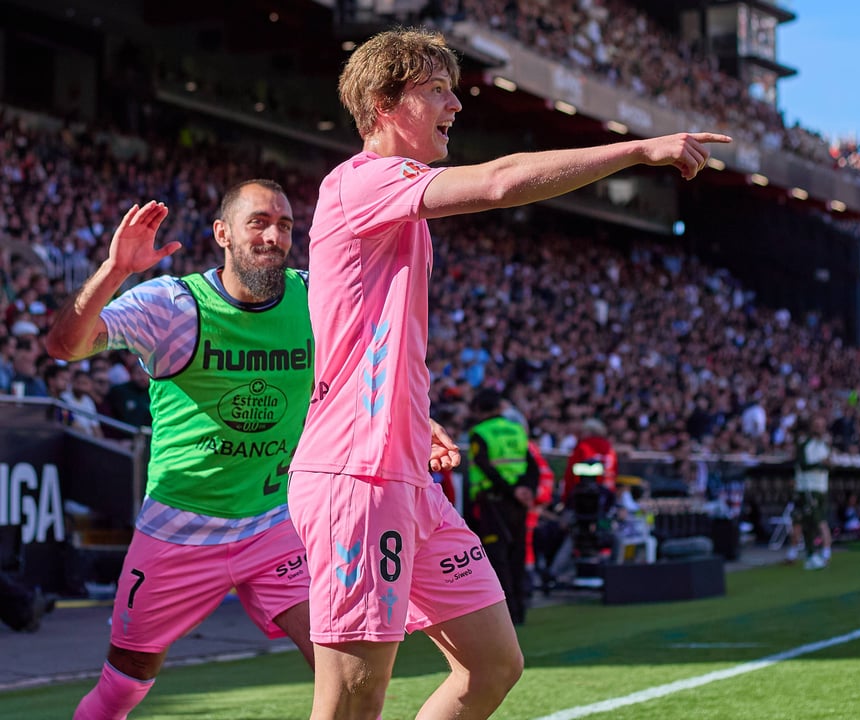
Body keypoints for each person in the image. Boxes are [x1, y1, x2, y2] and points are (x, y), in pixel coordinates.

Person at [287, 27, 730, 720]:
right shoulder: (362, 180)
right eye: (437, 90)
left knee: (492, 664)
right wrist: (638, 150)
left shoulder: (393, 203)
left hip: (404, 472)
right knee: (353, 698)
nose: (455, 105)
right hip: (358, 477)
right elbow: (499, 181)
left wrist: (415, 415)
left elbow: (356, 337)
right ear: (383, 104)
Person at [44, 182, 316, 719]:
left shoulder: (314, 297)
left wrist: (416, 418)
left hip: (275, 524)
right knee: (124, 684)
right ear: (222, 234)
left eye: (284, 225)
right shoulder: (172, 305)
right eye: (259, 222)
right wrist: (115, 270)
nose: (274, 236)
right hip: (178, 530)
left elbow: (368, 362)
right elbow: (64, 346)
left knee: (345, 661)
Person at [466, 389, 534, 625]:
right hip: (517, 503)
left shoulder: (480, 432)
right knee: (517, 555)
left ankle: (506, 613)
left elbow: (485, 466)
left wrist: (511, 490)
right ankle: (520, 611)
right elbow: (531, 465)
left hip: (492, 502)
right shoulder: (517, 430)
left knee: (498, 558)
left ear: (479, 410)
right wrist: (524, 490)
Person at [791, 414, 833, 570]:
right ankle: (807, 554)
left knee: (818, 521)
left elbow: (829, 466)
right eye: (817, 425)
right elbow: (802, 464)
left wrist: (827, 465)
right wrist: (821, 464)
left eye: (822, 425)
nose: (819, 428)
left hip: (820, 488)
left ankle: (822, 554)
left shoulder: (824, 445)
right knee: (805, 522)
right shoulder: (804, 444)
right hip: (807, 488)